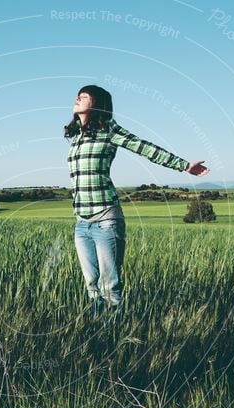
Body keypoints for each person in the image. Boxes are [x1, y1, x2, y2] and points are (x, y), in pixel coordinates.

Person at [64, 84, 210, 319]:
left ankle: (112, 333)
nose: (78, 99)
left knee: (109, 286)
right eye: (77, 96)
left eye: (84, 96)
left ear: (98, 104)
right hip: (81, 223)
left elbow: (145, 148)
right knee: (91, 284)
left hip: (105, 220)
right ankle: (95, 332)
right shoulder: (77, 137)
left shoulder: (110, 131)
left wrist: (183, 165)